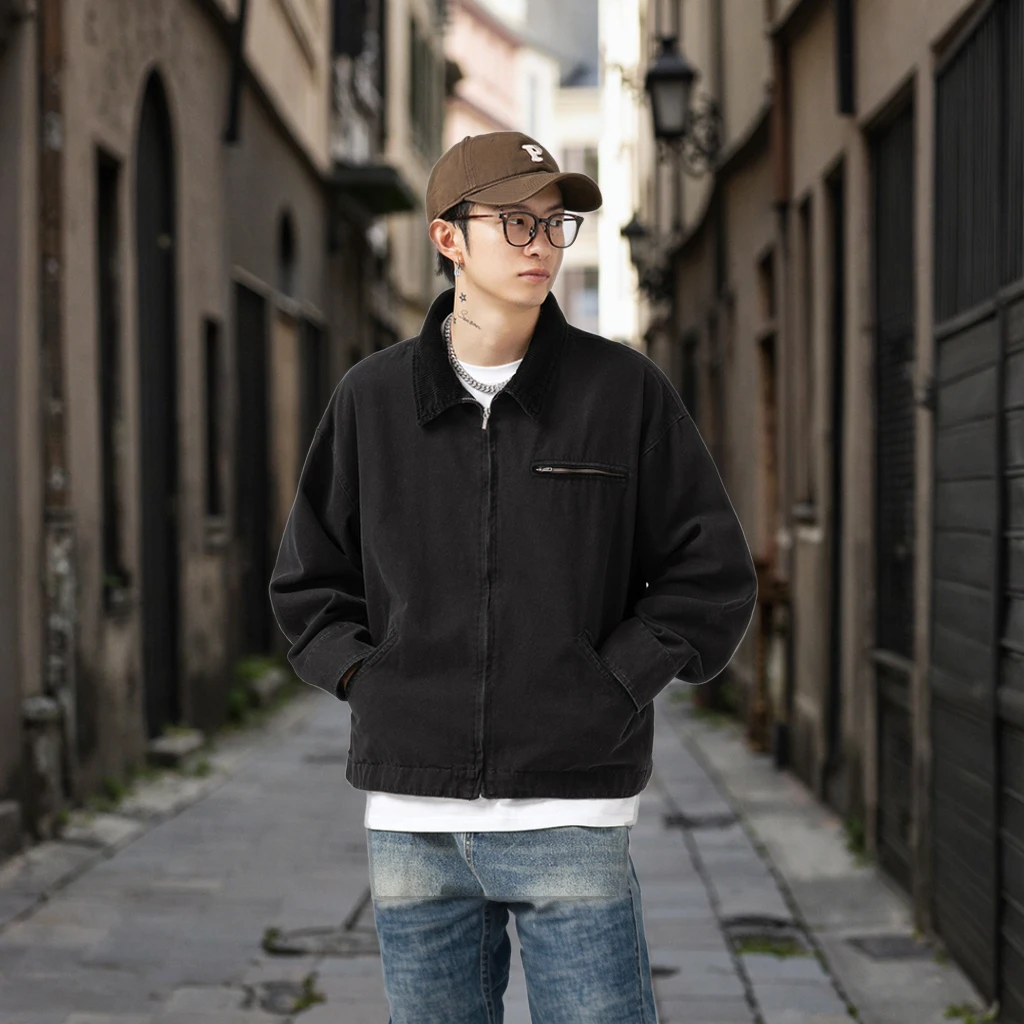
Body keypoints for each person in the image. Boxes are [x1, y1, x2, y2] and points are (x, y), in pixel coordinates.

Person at [269, 130, 758, 1023]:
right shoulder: (372, 400)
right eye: (514, 222)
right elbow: (307, 583)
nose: (541, 244)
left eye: (554, 223)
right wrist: (371, 681)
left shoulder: (623, 392)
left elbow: (711, 572)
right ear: (447, 238)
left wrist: (613, 681)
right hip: (414, 820)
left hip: (572, 806)